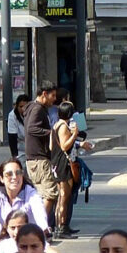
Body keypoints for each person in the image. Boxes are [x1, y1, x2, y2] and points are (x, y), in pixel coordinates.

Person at [23, 81, 59, 222]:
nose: (54, 99)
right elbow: (32, 129)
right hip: (39, 158)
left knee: (37, 195)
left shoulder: (33, 108)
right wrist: (51, 133)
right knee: (50, 193)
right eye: (53, 95)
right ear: (44, 94)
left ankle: (33, 225)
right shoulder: (37, 109)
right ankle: (39, 226)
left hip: (34, 158)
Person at [52, 101, 80, 237]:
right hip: (63, 163)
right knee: (64, 196)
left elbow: (52, 146)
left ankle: (62, 226)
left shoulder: (56, 125)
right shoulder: (63, 126)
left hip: (56, 162)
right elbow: (64, 146)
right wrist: (74, 135)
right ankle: (61, 227)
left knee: (62, 196)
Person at [7, 94, 30, 161]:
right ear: (17, 106)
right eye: (20, 106)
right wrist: (15, 156)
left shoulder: (34, 113)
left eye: (25, 107)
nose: (23, 109)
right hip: (21, 149)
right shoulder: (12, 116)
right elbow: (12, 138)